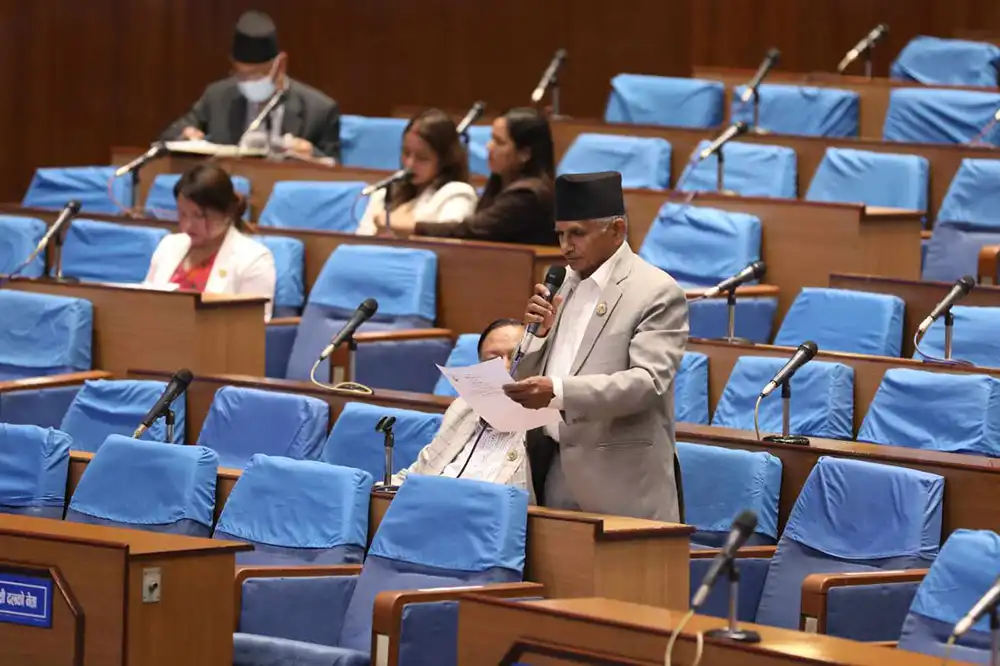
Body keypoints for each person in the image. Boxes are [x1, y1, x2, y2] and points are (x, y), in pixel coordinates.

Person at [503, 172, 689, 522]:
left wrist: (559, 392)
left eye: (577, 233)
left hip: (623, 485)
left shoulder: (656, 292)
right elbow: (526, 377)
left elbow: (648, 383)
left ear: (617, 230)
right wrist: (538, 336)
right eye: (560, 234)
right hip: (555, 474)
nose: (566, 246)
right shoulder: (560, 285)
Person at [160, 11, 341, 161]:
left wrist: (311, 154)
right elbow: (171, 134)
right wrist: (185, 134)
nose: (249, 82)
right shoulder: (217, 97)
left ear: (281, 65)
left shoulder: (319, 110)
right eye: (241, 74)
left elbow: (337, 172)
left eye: (258, 75)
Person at [394, 318, 532, 493]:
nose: (505, 367)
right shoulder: (463, 407)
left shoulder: (545, 427)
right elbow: (419, 472)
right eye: (493, 358)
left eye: (516, 357)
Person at [144, 164, 277, 321]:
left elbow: (253, 326)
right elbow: (144, 303)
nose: (187, 225)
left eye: (199, 216)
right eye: (182, 214)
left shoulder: (254, 259)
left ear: (227, 214)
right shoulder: (169, 245)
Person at [412, 107, 557, 245]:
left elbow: (472, 230)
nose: (489, 146)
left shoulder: (528, 196)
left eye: (499, 142)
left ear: (525, 154)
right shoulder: (500, 180)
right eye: (491, 139)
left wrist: (415, 227)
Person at [357, 109, 478, 236]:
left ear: (445, 160)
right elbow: (360, 240)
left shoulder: (458, 194)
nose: (409, 164)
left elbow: (449, 240)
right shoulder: (384, 193)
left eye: (422, 157)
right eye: (406, 153)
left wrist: (398, 226)